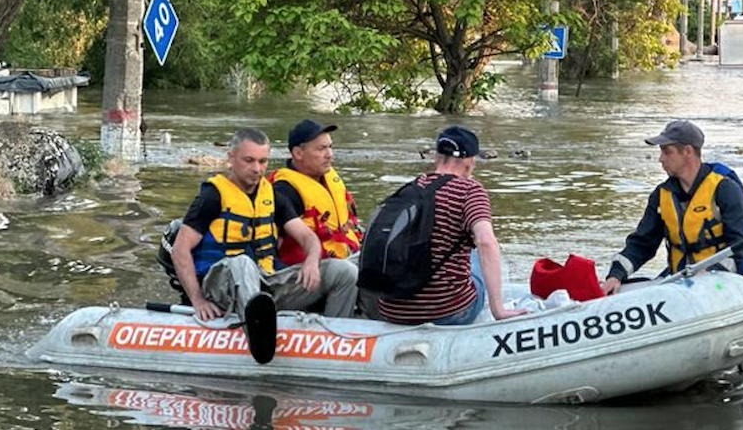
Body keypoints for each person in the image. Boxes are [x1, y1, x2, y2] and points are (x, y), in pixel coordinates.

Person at [170, 128, 357, 363]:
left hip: (266, 283)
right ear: (231, 158)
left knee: (344, 271)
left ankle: (334, 344)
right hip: (221, 286)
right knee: (242, 263)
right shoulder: (212, 196)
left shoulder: (273, 196)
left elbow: (308, 238)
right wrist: (197, 300)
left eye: (262, 161)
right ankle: (259, 340)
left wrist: (311, 262)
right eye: (249, 160)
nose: (257, 169)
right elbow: (180, 249)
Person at [371, 125, 525, 325]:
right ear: (470, 162)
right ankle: (494, 305)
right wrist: (498, 310)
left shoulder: (410, 189)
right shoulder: (470, 190)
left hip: (393, 311)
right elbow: (486, 242)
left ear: (436, 157)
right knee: (477, 251)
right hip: (448, 312)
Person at [600, 120, 743, 299]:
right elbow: (642, 244)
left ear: (687, 151)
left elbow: (741, 245)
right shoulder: (661, 196)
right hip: (684, 281)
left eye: (667, 151)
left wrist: (710, 275)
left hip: (729, 279)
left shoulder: (725, 189)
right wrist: (615, 275)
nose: (661, 159)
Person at [268, 119, 363, 265]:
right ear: (298, 153)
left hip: (349, 253)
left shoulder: (328, 177)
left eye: (330, 147)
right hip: (313, 268)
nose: (329, 154)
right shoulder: (285, 190)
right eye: (321, 149)